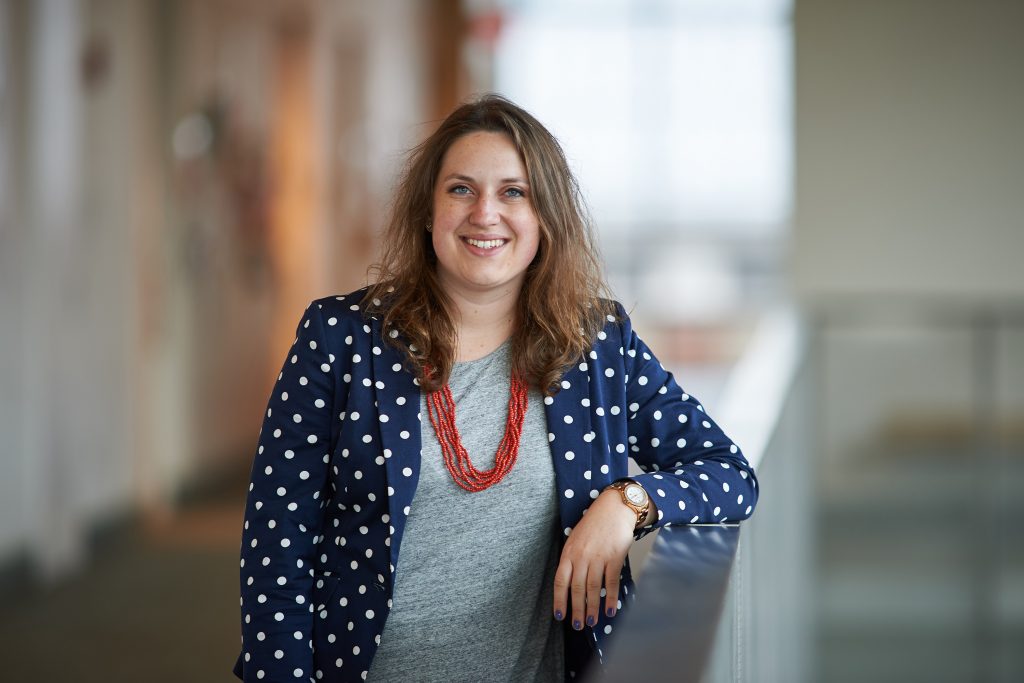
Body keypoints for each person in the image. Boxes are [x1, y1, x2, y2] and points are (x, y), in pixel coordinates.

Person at [233, 94, 758, 683]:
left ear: (545, 218)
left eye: (514, 192)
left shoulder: (595, 344)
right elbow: (277, 544)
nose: (486, 213)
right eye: (461, 189)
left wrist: (628, 504)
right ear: (428, 211)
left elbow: (730, 473)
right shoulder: (342, 340)